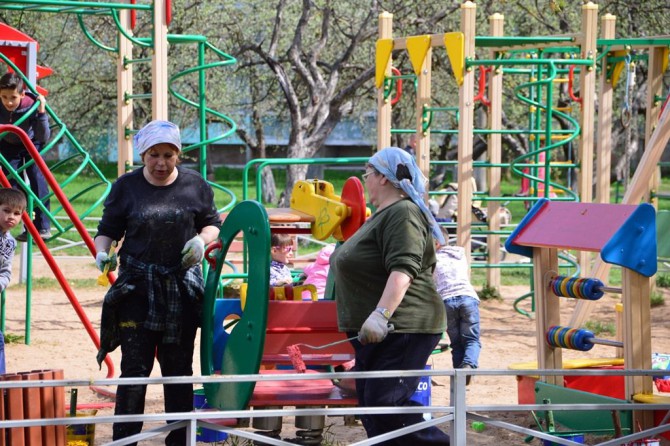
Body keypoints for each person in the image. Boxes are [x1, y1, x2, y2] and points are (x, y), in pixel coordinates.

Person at [93, 120, 221, 446]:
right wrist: (102, 251)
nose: (161, 163)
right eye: (154, 155)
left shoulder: (196, 186)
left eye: (169, 154)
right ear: (143, 154)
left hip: (180, 288)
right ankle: (125, 441)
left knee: (178, 372)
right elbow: (107, 229)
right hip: (137, 287)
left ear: (178, 154)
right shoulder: (126, 187)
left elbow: (212, 224)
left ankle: (179, 442)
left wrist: (201, 241)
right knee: (134, 372)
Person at [330, 146, 450, 445]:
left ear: (384, 178)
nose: (365, 180)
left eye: (367, 174)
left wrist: (380, 314)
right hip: (378, 333)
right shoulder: (383, 215)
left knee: (388, 408)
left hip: (402, 328)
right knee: (377, 408)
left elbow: (404, 269)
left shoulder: (403, 212)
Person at [0, 72, 51, 241]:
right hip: (8, 144)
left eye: (13, 97)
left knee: (36, 178)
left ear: (21, 94)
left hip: (31, 141)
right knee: (12, 185)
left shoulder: (31, 104)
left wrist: (41, 111)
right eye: (4, 97)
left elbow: (44, 137)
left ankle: (43, 226)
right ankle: (25, 226)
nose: (8, 102)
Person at [433, 227, 481, 385]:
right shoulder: (460, 254)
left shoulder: (431, 260)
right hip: (468, 298)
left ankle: (459, 378)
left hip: (446, 301)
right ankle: (468, 365)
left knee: (456, 343)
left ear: (435, 242)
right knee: (471, 339)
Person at [0, 188, 26, 374]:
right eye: (6, 210)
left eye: (17, 213)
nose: (11, 217)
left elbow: (5, 271)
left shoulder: (10, 242)